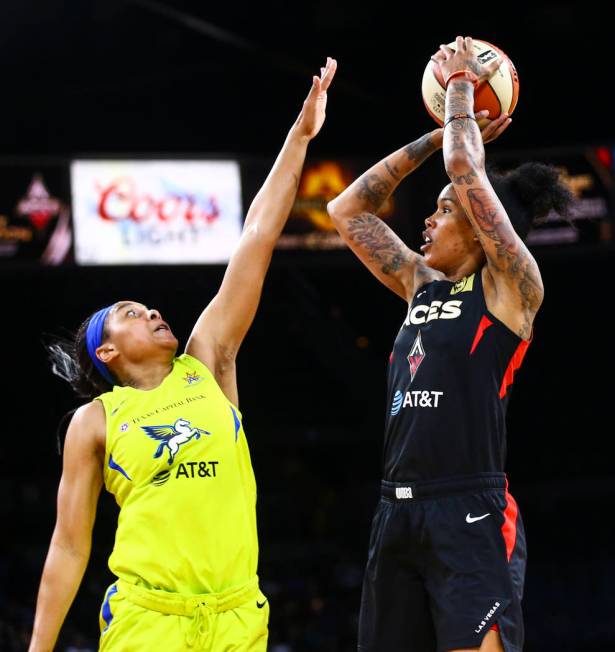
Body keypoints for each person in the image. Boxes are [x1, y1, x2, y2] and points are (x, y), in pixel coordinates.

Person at [28, 56, 337, 652]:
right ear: (109, 351)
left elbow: (257, 236)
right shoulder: (95, 420)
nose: (149, 311)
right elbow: (69, 545)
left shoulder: (209, 359)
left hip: (238, 615)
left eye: (147, 305)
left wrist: (299, 136)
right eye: (129, 312)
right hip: (149, 622)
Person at [327, 37, 572, 652]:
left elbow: (467, 174)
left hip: (470, 508)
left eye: (443, 211)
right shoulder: (420, 284)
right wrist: (438, 135)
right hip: (395, 509)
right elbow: (348, 209)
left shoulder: (512, 289)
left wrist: (460, 87)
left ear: (483, 224)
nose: (427, 222)